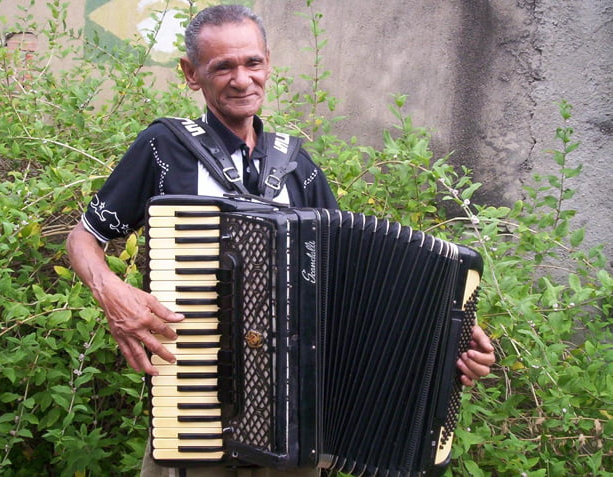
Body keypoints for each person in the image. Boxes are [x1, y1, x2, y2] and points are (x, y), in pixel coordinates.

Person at [66, 5, 495, 477]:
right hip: (197, 413)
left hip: (295, 431)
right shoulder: (164, 150)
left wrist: (450, 336)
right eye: (222, 67)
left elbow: (352, 282)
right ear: (191, 74)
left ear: (268, 63)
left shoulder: (298, 168)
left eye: (252, 62)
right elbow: (84, 238)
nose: (242, 79)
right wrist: (112, 293)